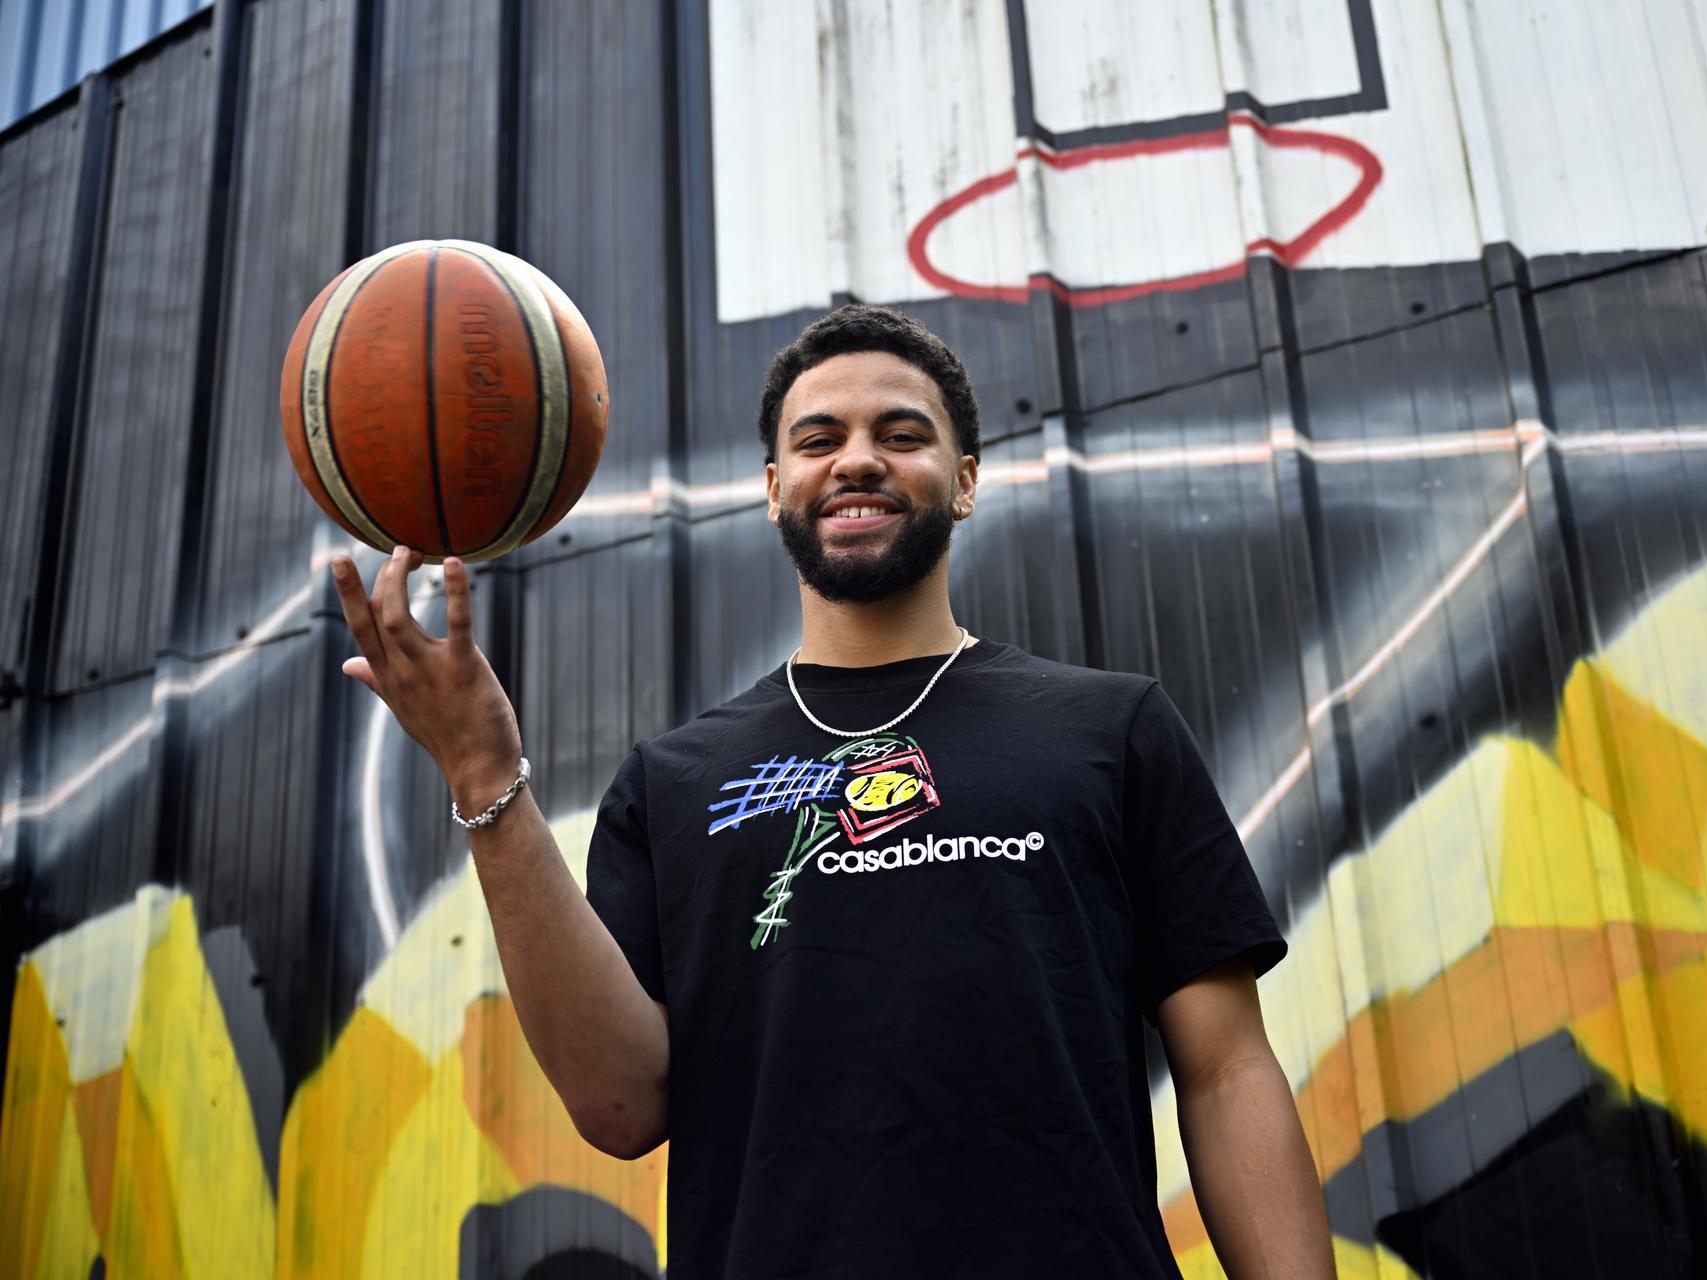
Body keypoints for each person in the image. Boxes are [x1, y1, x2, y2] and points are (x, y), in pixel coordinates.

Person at [331, 304, 1335, 1279]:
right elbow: (619, 1106)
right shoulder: (672, 783)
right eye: (819, 440)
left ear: (966, 480)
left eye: (902, 435)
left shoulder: (1112, 731)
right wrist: (484, 775)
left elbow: (1227, 1070)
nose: (857, 460)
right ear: (776, 490)